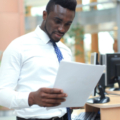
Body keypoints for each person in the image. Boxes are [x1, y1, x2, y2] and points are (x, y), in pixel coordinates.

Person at [0, 0, 80, 120]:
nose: (62, 29)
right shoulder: (18, 46)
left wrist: (74, 99)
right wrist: (31, 98)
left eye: (67, 24)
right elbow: (2, 93)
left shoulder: (65, 51)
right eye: (57, 21)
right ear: (45, 15)